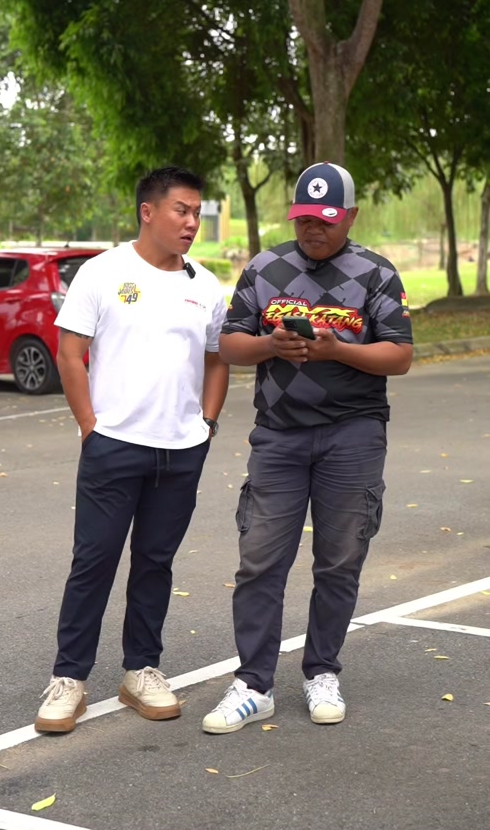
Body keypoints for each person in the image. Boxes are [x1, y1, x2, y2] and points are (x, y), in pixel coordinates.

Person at [202, 161, 413, 734]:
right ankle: (254, 684)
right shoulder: (265, 268)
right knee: (260, 560)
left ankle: (322, 671)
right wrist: (271, 345)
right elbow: (229, 345)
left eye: (325, 220)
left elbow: (399, 355)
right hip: (279, 435)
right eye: (303, 220)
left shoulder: (376, 273)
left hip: (353, 434)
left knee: (340, 560)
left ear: (350, 216)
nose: (313, 230)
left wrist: (337, 351)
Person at [35, 166, 229, 733]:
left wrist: (207, 423)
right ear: (148, 212)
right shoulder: (103, 272)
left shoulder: (205, 285)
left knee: (155, 563)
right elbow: (70, 354)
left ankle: (141, 670)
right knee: (93, 562)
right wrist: (89, 427)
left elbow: (217, 358)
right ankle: (69, 678)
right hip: (113, 446)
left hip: (181, 451)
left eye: (196, 213)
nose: (192, 223)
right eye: (181, 211)